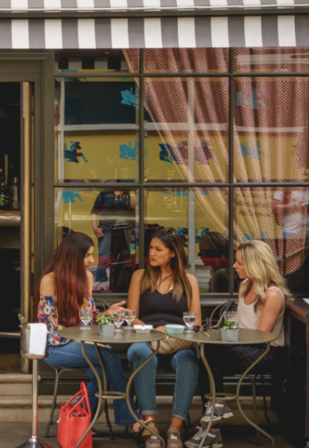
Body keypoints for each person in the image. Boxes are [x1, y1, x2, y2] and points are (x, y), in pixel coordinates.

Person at [187, 240, 292, 448]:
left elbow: (261, 336)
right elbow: (241, 323)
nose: (234, 266)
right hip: (240, 346)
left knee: (208, 356)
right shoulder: (245, 285)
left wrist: (228, 335)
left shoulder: (272, 295)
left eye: (239, 263)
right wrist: (223, 332)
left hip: (265, 352)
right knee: (203, 356)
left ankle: (212, 424)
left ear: (255, 265)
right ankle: (215, 417)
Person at [36, 232, 137, 430]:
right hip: (55, 348)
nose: (92, 260)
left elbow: (88, 319)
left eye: (92, 254)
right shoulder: (50, 280)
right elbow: (51, 330)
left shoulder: (87, 277)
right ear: (73, 256)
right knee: (110, 358)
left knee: (103, 376)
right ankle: (132, 421)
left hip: (81, 343)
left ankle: (74, 422)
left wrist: (107, 313)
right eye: (87, 255)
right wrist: (84, 341)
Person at [126, 227, 202, 448]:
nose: (152, 253)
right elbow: (131, 318)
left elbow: (195, 323)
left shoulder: (189, 281)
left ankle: (174, 429)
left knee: (188, 358)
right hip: (146, 339)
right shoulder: (140, 276)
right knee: (140, 352)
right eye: (150, 248)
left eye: (158, 249)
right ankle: (150, 425)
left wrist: (171, 331)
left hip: (176, 343)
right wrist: (152, 329)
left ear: (173, 253)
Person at [90, 190, 136, 292]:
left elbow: (134, 206)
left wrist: (132, 191)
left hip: (128, 229)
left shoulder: (131, 192)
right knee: (104, 256)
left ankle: (126, 283)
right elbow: (94, 212)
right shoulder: (104, 193)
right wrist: (95, 228)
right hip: (106, 228)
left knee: (127, 257)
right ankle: (101, 285)